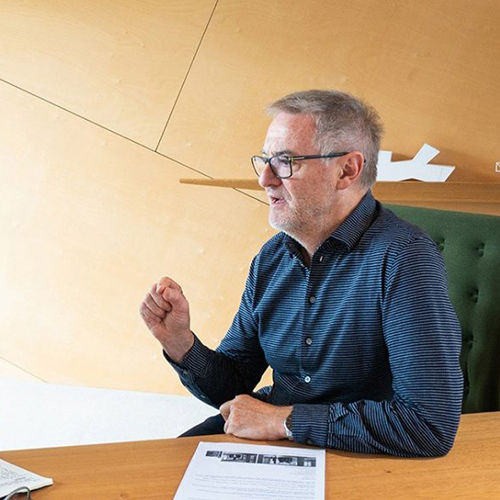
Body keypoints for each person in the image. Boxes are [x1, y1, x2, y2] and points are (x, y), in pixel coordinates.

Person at [139, 90, 463, 457]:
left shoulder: (406, 258)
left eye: (285, 161)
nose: (265, 179)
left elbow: (428, 424)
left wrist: (283, 420)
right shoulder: (272, 257)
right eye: (265, 160)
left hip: (364, 454)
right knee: (163, 471)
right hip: (283, 439)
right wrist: (180, 343)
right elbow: (233, 389)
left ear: (347, 170)